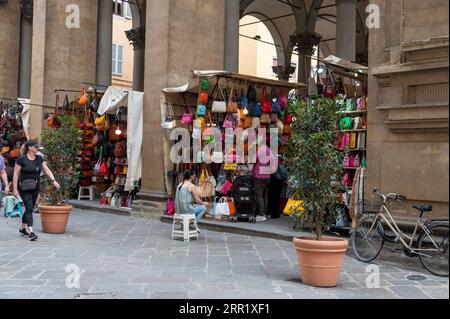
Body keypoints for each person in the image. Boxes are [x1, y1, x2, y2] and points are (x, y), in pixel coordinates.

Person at [13, 140, 60, 241]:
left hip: (35, 187)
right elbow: (16, 174)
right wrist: (15, 189)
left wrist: (53, 180)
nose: (37, 148)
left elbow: (46, 170)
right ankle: (31, 232)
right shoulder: (22, 159)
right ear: (29, 148)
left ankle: (22, 228)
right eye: (35, 146)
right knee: (29, 207)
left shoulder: (39, 158)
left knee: (29, 207)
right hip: (24, 188)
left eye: (37, 146)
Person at [252, 136, 278, 222]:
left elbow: (253, 160)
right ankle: (265, 212)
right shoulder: (269, 150)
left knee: (258, 195)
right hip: (267, 176)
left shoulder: (260, 150)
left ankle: (261, 214)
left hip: (259, 176)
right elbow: (274, 161)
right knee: (264, 195)